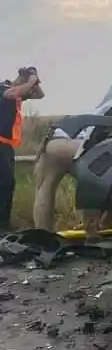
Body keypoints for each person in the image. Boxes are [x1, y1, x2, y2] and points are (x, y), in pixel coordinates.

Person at [0, 67, 45, 231]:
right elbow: (10, 94)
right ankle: (2, 225)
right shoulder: (4, 88)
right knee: (5, 183)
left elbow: (40, 95)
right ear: (20, 79)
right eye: (27, 84)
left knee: (8, 183)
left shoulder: (19, 93)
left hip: (6, 144)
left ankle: (4, 223)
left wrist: (34, 82)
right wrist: (30, 81)